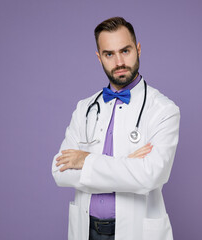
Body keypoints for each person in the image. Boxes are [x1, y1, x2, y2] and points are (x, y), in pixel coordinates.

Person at [52, 16, 180, 240]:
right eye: (109, 54)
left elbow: (149, 176)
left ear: (138, 49)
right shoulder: (85, 108)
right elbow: (59, 172)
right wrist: (128, 164)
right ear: (99, 57)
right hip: (86, 229)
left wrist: (86, 160)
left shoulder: (163, 110)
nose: (119, 61)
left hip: (137, 231)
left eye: (125, 50)